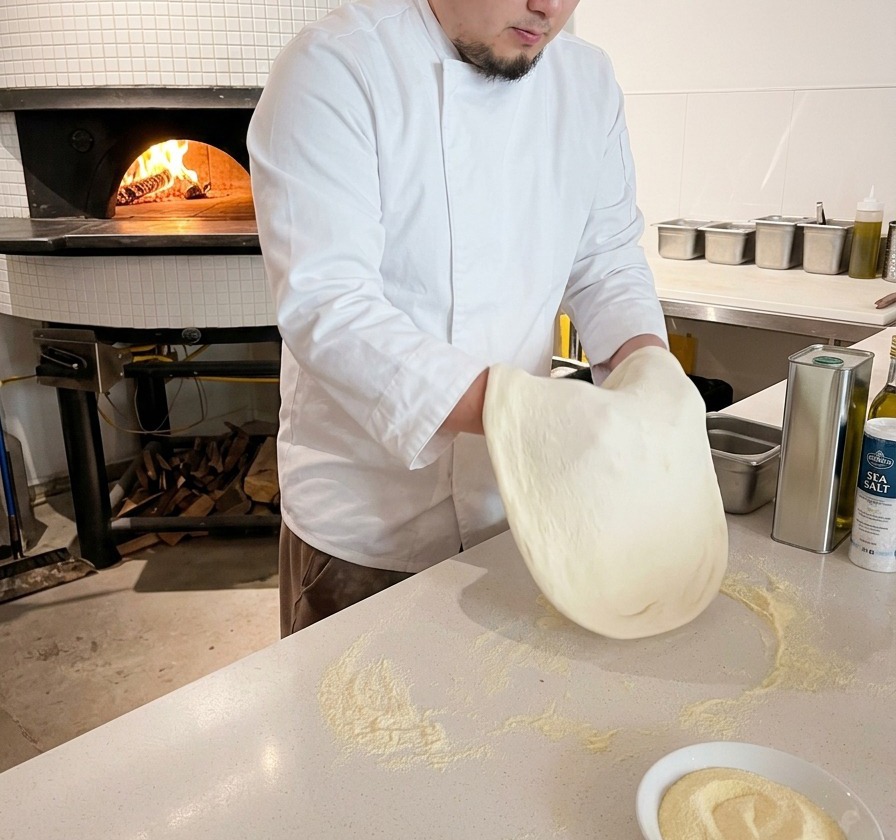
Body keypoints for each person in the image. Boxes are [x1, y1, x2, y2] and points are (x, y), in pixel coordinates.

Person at [247, 0, 668, 637]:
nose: (548, 7)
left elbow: (605, 258)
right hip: (369, 533)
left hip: (521, 512)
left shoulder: (586, 80)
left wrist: (648, 369)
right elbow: (329, 305)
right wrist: (524, 413)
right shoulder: (336, 67)